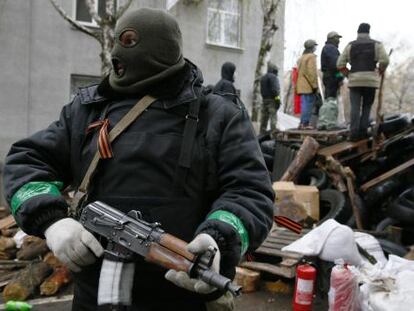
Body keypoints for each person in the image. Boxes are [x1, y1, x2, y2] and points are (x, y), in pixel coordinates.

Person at [3, 8, 274, 311]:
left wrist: (219, 240)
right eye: (120, 42)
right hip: (94, 295)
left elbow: (251, 192)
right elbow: (25, 162)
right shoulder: (87, 110)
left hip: (186, 292)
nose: (121, 56)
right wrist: (53, 222)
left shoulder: (219, 115)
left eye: (131, 43)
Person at [337, 23, 389, 141]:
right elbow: (385, 60)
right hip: (370, 80)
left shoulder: (350, 45)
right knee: (366, 106)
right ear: (369, 32)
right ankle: (363, 132)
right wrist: (380, 70)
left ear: (358, 32)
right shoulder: (377, 44)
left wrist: (348, 74)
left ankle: (354, 133)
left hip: (354, 80)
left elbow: (339, 64)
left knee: (355, 107)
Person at [296, 39, 319, 129]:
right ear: (312, 47)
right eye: (315, 46)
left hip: (301, 85)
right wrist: (314, 86)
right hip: (308, 85)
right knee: (308, 105)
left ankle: (302, 122)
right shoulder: (311, 57)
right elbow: (311, 72)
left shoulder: (301, 57)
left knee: (304, 104)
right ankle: (305, 123)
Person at [259, 62, 281, 134]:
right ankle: (273, 133)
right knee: (273, 117)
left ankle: (262, 133)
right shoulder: (274, 77)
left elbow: (261, 90)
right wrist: (278, 100)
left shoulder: (263, 77)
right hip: (272, 100)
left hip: (264, 100)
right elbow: (275, 90)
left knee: (264, 118)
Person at [321, 31, 343, 99]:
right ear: (331, 39)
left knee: (329, 99)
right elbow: (335, 65)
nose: (339, 40)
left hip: (329, 77)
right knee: (331, 100)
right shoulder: (331, 48)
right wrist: (340, 77)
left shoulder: (329, 48)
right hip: (332, 78)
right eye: (337, 38)